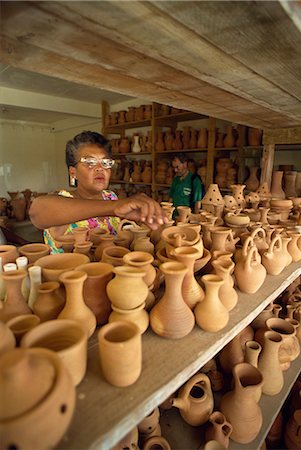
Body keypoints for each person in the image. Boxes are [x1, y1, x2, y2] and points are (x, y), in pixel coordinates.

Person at [29, 130, 167, 253]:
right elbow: (37, 211)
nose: (100, 168)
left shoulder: (110, 197)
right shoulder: (64, 199)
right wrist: (114, 207)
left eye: (106, 163)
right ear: (73, 172)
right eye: (90, 162)